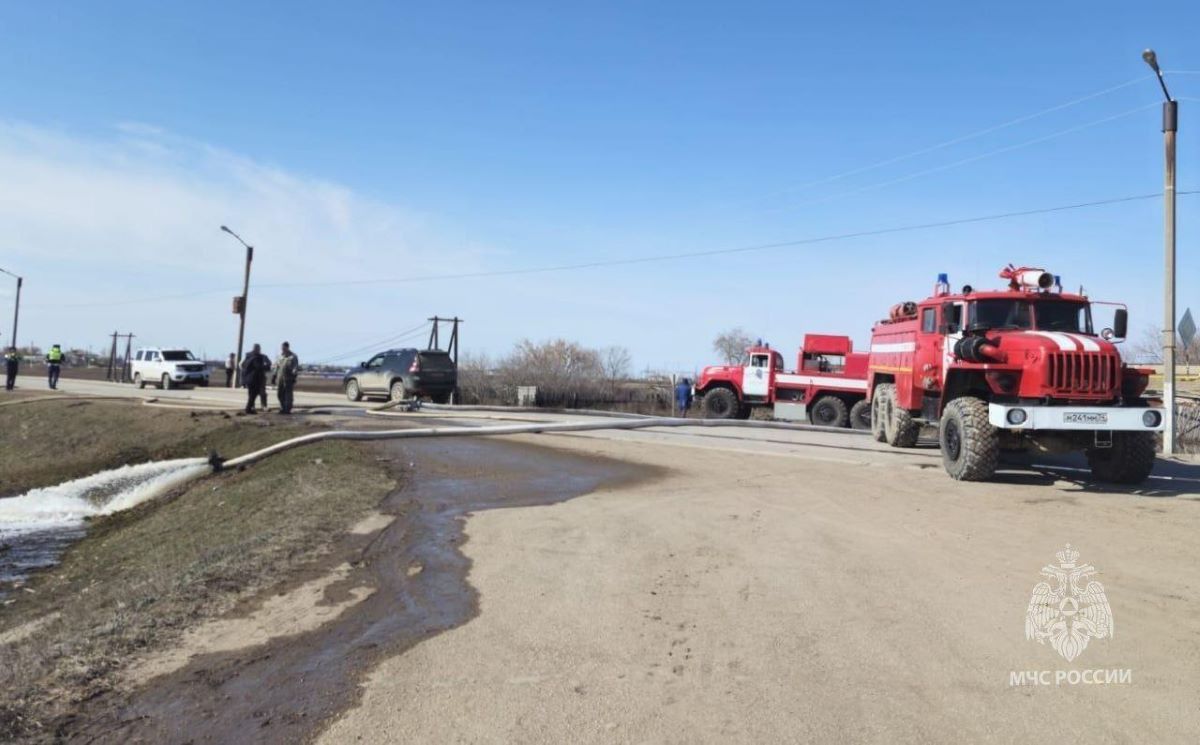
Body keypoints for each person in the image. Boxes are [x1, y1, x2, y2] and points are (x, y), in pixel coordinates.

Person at [240, 344, 270, 414]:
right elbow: (258, 367)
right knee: (253, 394)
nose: (259, 350)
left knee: (254, 394)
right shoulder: (255, 357)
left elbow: (242, 365)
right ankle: (249, 408)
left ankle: (251, 408)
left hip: (250, 378)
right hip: (255, 379)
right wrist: (266, 367)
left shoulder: (249, 356)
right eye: (258, 349)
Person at [275, 341, 300, 414]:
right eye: (282, 348)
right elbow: (277, 366)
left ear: (287, 348)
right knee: (280, 394)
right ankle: (282, 407)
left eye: (284, 348)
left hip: (288, 378)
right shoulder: (280, 356)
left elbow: (295, 367)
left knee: (288, 394)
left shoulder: (293, 357)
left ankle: (287, 409)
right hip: (280, 378)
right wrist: (274, 375)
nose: (282, 350)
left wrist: (294, 373)